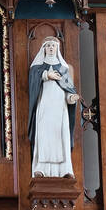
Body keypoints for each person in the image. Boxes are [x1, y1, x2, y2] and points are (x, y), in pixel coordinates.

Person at [27, 37, 78, 178]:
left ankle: (65, 170)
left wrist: (71, 98)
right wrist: (46, 75)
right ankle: (40, 169)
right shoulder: (37, 68)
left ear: (57, 48)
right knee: (44, 137)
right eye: (48, 45)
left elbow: (68, 90)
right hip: (44, 107)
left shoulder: (63, 68)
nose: (50, 48)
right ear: (43, 48)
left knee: (61, 137)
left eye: (53, 46)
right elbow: (32, 81)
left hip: (60, 110)